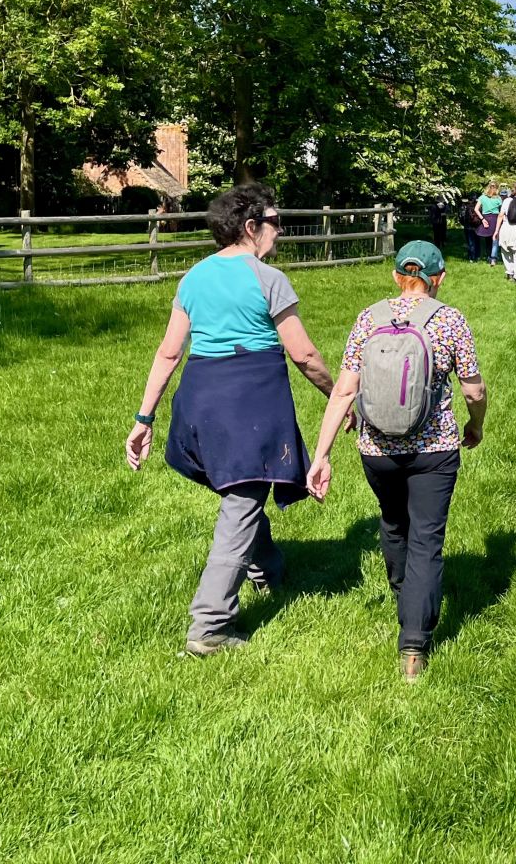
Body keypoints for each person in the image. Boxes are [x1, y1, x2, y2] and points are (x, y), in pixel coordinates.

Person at [124, 184, 338, 656]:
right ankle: (209, 626)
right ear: (250, 228)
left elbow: (169, 351)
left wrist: (144, 417)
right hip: (249, 406)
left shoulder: (192, 279)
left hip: (199, 406)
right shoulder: (268, 278)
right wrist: (340, 394)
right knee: (240, 504)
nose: (279, 233)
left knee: (245, 489)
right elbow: (302, 353)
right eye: (275, 222)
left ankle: (268, 569)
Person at [307, 241, 486, 682]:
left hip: (377, 450)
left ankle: (405, 597)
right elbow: (473, 390)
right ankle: (414, 643)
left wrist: (321, 453)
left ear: (395, 276)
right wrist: (476, 424)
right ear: (439, 278)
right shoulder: (449, 320)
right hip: (434, 450)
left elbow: (345, 390)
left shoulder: (369, 318)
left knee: (392, 524)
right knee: (427, 539)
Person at [477, 182, 503, 264]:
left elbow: (476, 209)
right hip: (495, 219)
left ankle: (489, 256)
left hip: (486, 218)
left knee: (487, 239)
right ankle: (493, 258)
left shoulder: (482, 197)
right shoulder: (498, 198)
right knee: (495, 239)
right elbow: (502, 211)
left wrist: (482, 219)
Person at [461, 192, 485, 262]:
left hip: (468, 227)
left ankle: (471, 257)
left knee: (470, 242)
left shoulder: (465, 206)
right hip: (477, 227)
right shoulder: (479, 207)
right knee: (477, 242)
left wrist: (464, 224)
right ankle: (477, 256)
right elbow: (482, 216)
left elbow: (461, 217)